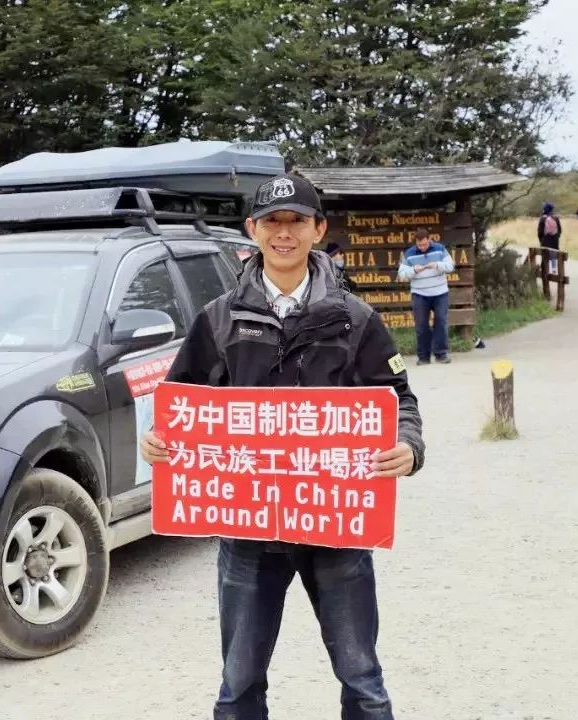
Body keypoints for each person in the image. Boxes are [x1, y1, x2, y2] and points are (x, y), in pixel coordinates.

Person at [138, 172, 425, 720]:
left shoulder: (355, 318)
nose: (284, 233)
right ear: (253, 230)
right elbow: (179, 405)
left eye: (297, 221)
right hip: (248, 532)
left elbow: (399, 401)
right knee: (239, 682)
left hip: (336, 524)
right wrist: (158, 442)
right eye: (272, 221)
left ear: (319, 229)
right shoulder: (218, 319)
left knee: (362, 678)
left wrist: (408, 447)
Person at [397, 228, 455, 365]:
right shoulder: (409, 254)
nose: (422, 247)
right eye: (419, 245)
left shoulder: (440, 249)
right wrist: (413, 270)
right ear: (416, 242)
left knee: (441, 322)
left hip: (440, 293)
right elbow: (402, 275)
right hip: (419, 294)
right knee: (421, 326)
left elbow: (450, 266)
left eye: (424, 244)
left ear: (429, 240)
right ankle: (423, 357)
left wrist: (438, 265)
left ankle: (441, 354)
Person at [536, 202, 562, 275]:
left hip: (545, 239)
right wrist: (556, 237)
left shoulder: (543, 218)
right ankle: (554, 269)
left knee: (545, 254)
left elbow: (540, 231)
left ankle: (545, 270)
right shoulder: (556, 218)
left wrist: (541, 240)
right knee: (553, 254)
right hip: (554, 239)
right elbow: (560, 230)